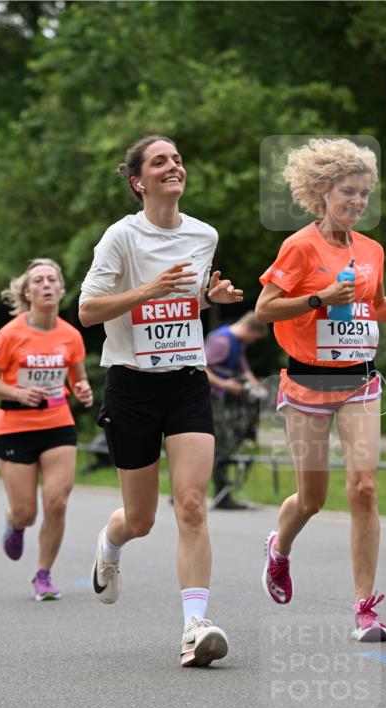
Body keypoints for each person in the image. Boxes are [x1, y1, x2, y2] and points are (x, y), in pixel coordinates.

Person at [255, 138, 386, 641]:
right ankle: (279, 548)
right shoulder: (300, 246)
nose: (357, 201)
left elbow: (374, 306)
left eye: (363, 193)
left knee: (364, 488)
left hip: (359, 382)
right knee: (312, 499)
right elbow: (265, 309)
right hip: (307, 384)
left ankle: (364, 607)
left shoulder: (371, 250)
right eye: (347, 192)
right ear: (323, 192)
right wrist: (318, 297)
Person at [79, 135, 243, 667]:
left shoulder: (204, 234)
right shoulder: (121, 237)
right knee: (141, 519)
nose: (173, 165)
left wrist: (207, 298)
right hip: (132, 384)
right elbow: (87, 310)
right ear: (138, 181)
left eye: (177, 158)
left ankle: (195, 626)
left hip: (187, 379)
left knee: (191, 504)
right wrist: (147, 290)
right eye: (159, 161)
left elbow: (185, 301)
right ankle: (110, 542)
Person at [0, 258, 93, 601]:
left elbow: (78, 378)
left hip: (57, 424)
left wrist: (83, 389)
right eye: (38, 280)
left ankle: (43, 574)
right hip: (14, 427)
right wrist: (17, 393)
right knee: (26, 512)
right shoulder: (10, 334)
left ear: (61, 289)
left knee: (57, 501)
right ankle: (14, 523)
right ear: (27, 293)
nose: (46, 285)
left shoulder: (70, 336)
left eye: (51, 279)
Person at [204, 311, 268, 508]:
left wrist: (258, 388)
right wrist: (224, 384)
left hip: (218, 397)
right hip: (207, 397)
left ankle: (222, 494)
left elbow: (244, 369)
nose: (253, 341)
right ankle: (222, 496)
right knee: (220, 443)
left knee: (220, 443)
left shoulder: (237, 343)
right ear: (249, 329)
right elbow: (202, 368)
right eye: (254, 337)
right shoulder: (222, 342)